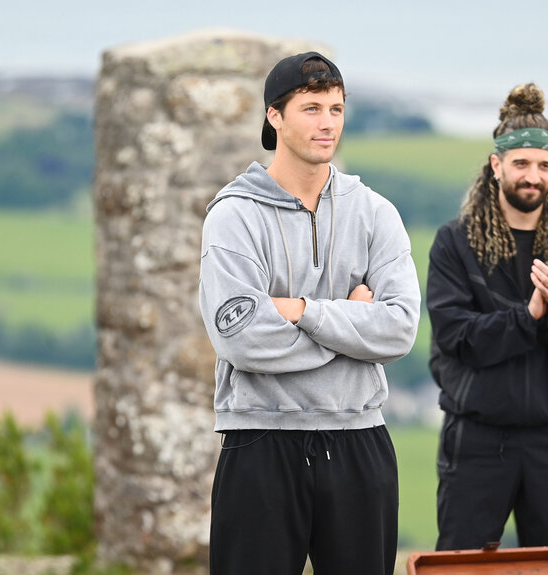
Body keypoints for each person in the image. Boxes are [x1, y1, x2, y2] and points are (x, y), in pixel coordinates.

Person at [198, 51, 421, 575]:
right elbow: (242, 339)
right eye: (311, 108)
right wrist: (349, 320)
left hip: (359, 440)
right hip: (260, 442)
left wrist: (303, 312)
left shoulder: (374, 213)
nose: (327, 123)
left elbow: (399, 329)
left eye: (337, 109)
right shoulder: (233, 217)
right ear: (274, 117)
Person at [426, 83, 548, 575]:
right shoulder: (454, 243)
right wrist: (529, 314)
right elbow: (457, 338)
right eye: (522, 164)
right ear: (496, 165)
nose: (534, 177)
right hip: (477, 440)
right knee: (462, 569)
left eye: (545, 166)